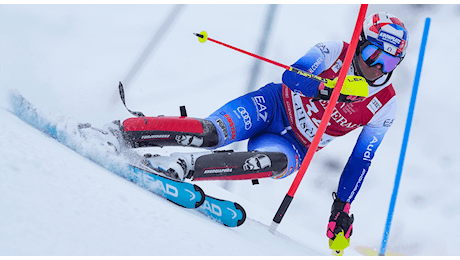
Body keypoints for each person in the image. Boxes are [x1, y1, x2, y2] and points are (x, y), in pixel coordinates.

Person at [88, 12, 408, 245]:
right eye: (371, 54)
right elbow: (293, 76)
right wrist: (327, 88)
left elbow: (360, 160)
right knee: (211, 133)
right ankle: (122, 131)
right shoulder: (334, 51)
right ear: (360, 43)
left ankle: (182, 166)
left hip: (295, 145)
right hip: (272, 106)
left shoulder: (385, 104)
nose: (376, 67)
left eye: (389, 63)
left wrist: (342, 207)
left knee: (272, 163)